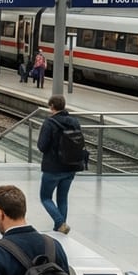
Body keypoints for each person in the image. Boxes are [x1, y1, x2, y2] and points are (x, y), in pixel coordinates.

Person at [37, 95, 82, 234]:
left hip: (53, 168)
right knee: (62, 198)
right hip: (71, 166)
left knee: (45, 197)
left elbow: (42, 146)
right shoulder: (74, 122)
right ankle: (60, 228)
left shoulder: (49, 123)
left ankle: (60, 223)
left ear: (51, 106)